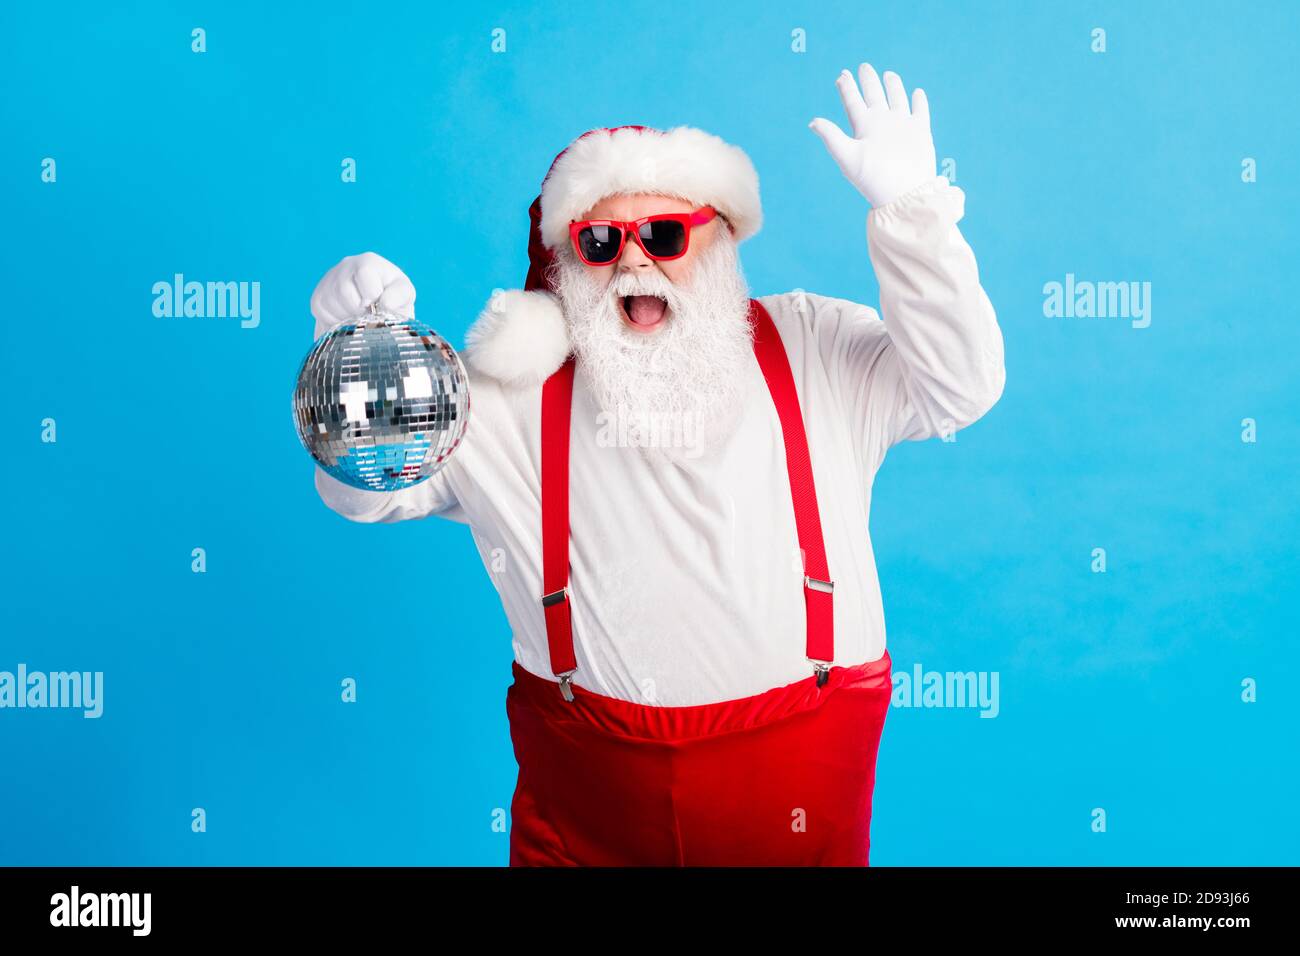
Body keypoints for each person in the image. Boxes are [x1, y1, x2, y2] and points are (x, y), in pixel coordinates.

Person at [308, 64, 1006, 865]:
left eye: (666, 235)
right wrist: (359, 361)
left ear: (721, 238)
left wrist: (912, 216)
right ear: (565, 264)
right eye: (600, 244)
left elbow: (962, 387)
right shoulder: (507, 394)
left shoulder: (817, 344)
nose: (636, 265)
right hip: (586, 828)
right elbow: (364, 489)